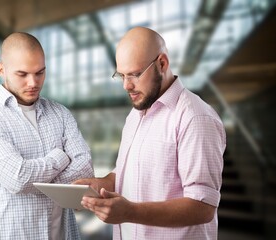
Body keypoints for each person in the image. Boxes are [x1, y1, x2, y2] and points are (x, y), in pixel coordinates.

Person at [74, 27, 226, 239]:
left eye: (135, 74)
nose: (127, 85)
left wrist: (130, 212)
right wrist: (100, 184)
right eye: (122, 75)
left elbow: (202, 206)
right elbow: (128, 174)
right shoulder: (136, 115)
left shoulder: (195, 117)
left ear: (162, 63)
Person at [0, 32, 94, 239]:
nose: (33, 82)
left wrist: (37, 179)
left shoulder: (60, 113)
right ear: (1, 69)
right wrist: (60, 157)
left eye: (40, 72)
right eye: (22, 74)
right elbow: (18, 179)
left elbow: (85, 167)